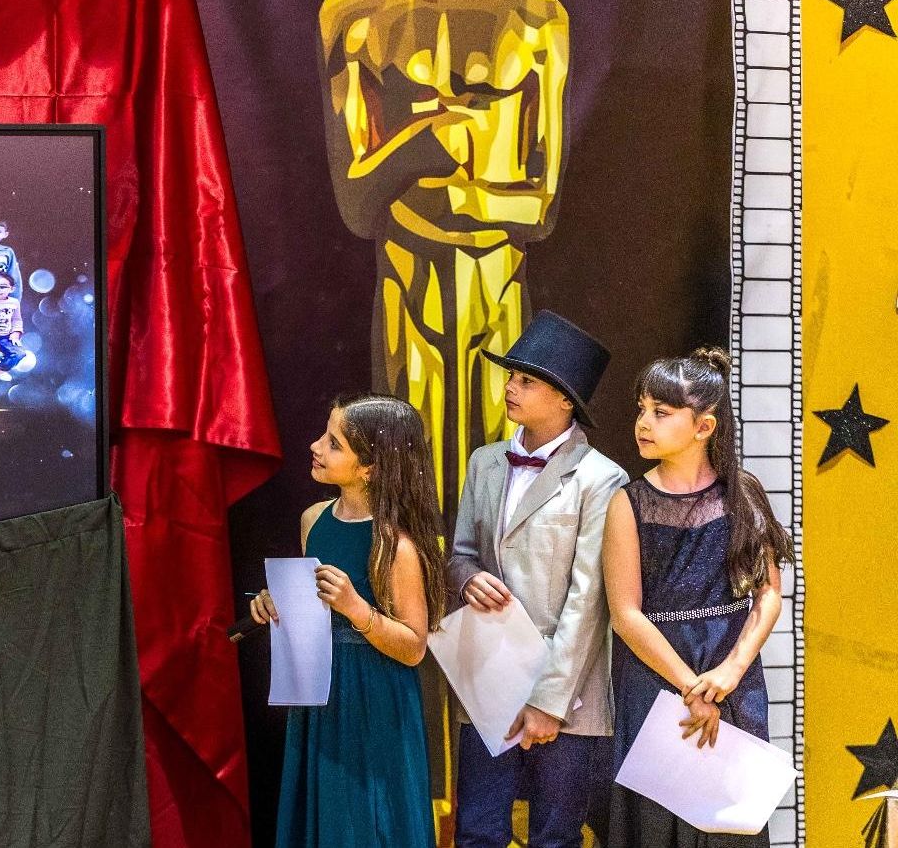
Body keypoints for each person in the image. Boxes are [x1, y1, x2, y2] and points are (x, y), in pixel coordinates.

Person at [445, 310, 628, 848]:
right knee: (477, 830)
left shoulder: (601, 478)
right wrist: (466, 579)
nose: (510, 387)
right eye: (511, 376)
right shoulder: (484, 462)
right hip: (490, 676)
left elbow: (587, 601)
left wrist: (550, 699)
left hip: (564, 692)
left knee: (555, 836)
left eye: (526, 380)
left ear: (565, 399)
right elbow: (461, 554)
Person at [603, 349, 790, 847]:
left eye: (661, 413)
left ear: (704, 426)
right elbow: (625, 613)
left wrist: (729, 673)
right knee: (659, 817)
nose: (644, 423)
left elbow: (768, 592)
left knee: (730, 818)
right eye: (641, 410)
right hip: (656, 676)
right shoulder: (628, 502)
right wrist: (691, 689)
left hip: (730, 674)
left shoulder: (742, 493)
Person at [249, 394, 443, 848]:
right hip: (318, 693)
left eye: (333, 444)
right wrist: (274, 603)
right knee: (325, 817)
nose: (316, 447)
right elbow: (308, 608)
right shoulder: (313, 519)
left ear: (370, 468)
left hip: (373, 700)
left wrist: (357, 608)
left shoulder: (396, 545)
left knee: (365, 822)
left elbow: (414, 646)